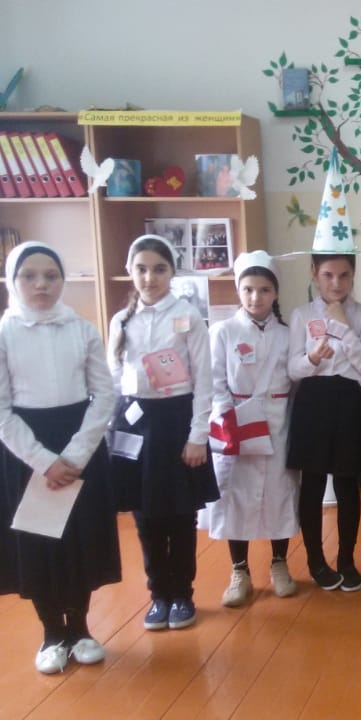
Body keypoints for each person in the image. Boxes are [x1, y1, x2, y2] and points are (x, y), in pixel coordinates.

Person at [0, 242, 119, 673]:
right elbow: (1, 409)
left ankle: (81, 628)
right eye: (29, 276)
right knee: (40, 543)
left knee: (80, 539)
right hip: (25, 449)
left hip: (79, 445)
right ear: (12, 281)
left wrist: (75, 455)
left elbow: (104, 394)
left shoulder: (82, 329)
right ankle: (52, 632)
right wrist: (43, 460)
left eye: (51, 276)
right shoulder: (4, 333)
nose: (41, 284)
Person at [108, 235, 218, 631]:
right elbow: (114, 379)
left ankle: (183, 594)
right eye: (141, 269)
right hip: (134, 423)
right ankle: (159, 595)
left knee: (180, 515)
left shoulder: (187, 316)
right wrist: (110, 432)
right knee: (145, 517)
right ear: (129, 271)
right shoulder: (121, 321)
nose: (149, 277)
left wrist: (198, 435)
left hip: (177, 422)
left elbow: (204, 380)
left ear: (172, 272)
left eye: (159, 269)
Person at [203, 251, 299, 608]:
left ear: (275, 293)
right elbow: (214, 380)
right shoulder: (222, 331)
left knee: (279, 493)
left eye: (264, 290)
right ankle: (239, 570)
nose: (256, 297)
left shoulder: (288, 334)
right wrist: (227, 416)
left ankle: (279, 563)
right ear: (238, 291)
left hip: (277, 423)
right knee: (237, 498)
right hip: (238, 423)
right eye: (248, 289)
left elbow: (297, 379)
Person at [286, 252, 361, 592]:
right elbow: (291, 369)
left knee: (347, 483)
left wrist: (342, 325)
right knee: (311, 483)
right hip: (312, 401)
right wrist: (311, 358)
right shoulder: (301, 315)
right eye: (328, 275)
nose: (336, 283)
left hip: (350, 402)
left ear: (353, 275)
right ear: (314, 273)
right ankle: (316, 561)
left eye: (344, 275)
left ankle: (347, 560)